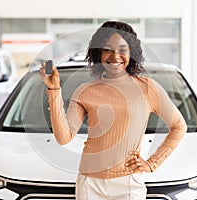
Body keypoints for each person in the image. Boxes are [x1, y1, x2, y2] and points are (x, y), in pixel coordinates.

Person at [39, 21, 187, 200]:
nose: (115, 56)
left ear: (131, 53)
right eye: (107, 49)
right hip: (90, 183)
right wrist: (54, 90)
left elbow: (179, 126)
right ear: (99, 53)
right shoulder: (85, 91)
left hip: (129, 184)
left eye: (122, 50)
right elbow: (64, 137)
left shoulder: (147, 88)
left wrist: (152, 163)